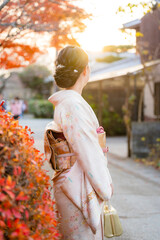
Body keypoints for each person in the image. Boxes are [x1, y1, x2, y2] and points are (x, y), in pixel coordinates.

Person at [47, 46, 113, 240]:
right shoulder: (73, 104)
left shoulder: (69, 102)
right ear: (85, 70)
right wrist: (105, 185)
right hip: (74, 184)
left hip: (70, 180)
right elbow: (87, 152)